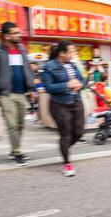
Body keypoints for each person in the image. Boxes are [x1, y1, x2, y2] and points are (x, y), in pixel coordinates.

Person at [0, 22, 34, 166]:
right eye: (15, 33)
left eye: (19, 32)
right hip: (5, 93)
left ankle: (14, 151)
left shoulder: (22, 49)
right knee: (12, 124)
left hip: (22, 92)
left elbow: (27, 69)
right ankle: (17, 151)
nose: (19, 35)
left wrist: (31, 88)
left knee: (20, 124)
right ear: (6, 36)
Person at [42, 40, 86, 177]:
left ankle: (64, 147)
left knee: (79, 132)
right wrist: (67, 85)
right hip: (59, 104)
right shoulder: (48, 67)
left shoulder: (73, 65)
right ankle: (67, 164)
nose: (74, 54)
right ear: (62, 53)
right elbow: (49, 87)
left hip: (76, 101)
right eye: (71, 51)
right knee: (66, 134)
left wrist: (80, 84)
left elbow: (83, 80)